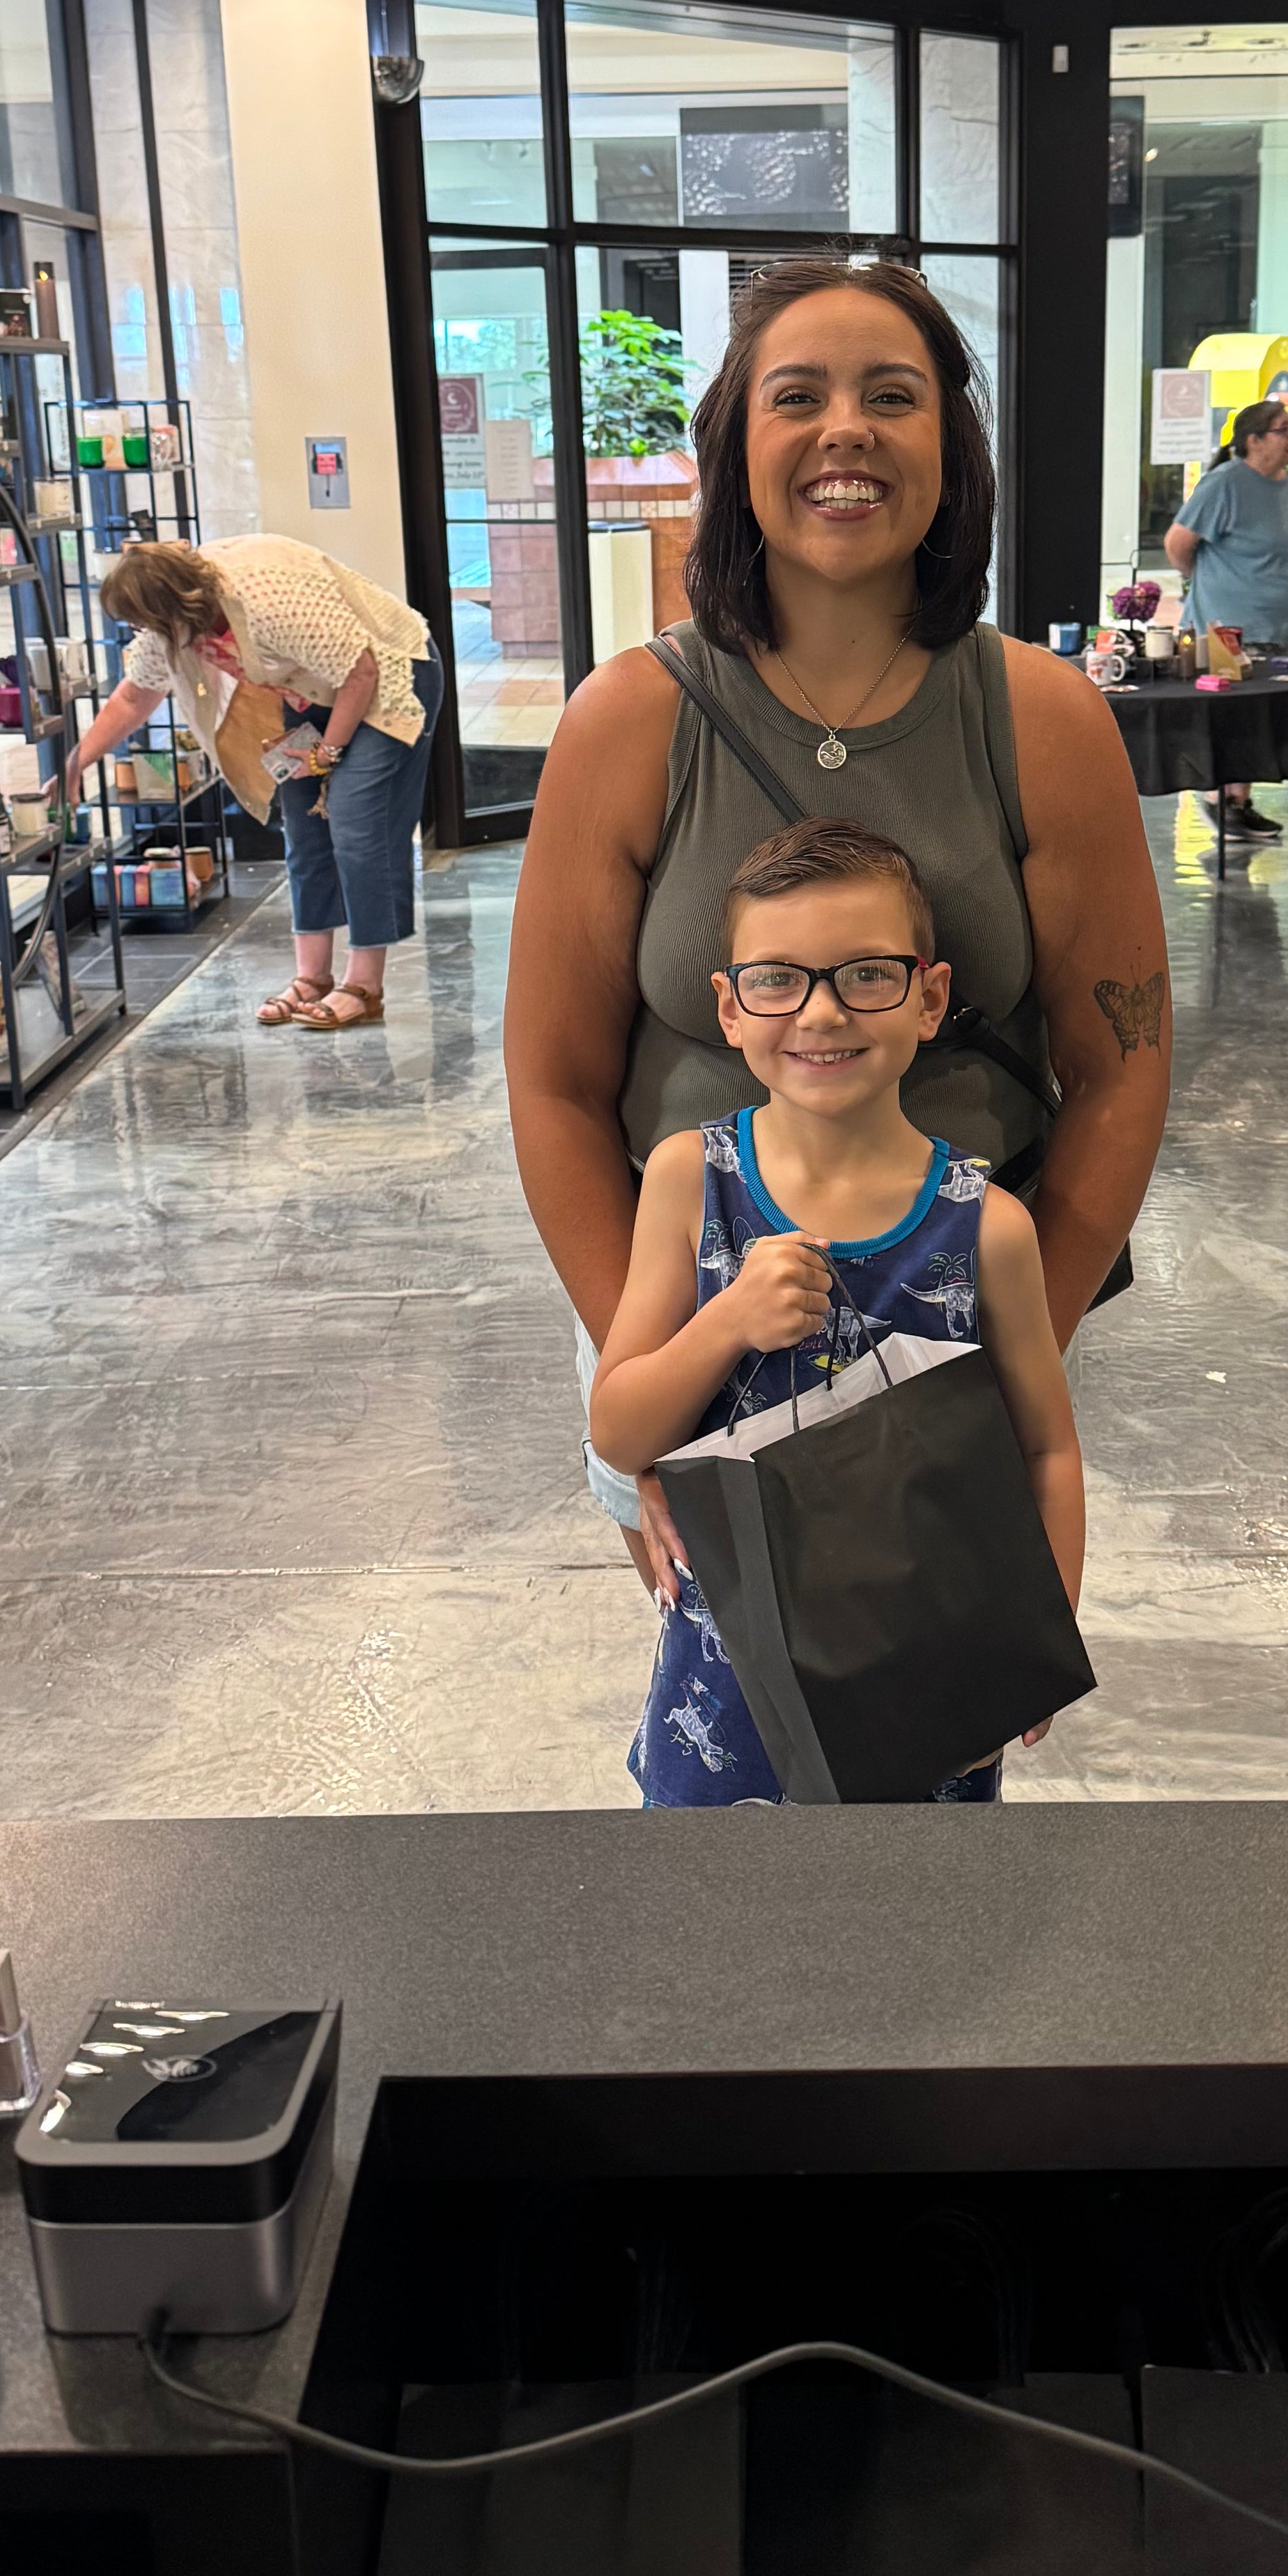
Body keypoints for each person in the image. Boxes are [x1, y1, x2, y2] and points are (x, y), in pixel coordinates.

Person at [506, 252, 1167, 1617]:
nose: (845, 431)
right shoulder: (627, 722)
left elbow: (1123, 1065)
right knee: (735, 1681)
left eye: (893, 396)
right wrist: (650, 1368)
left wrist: (1014, 1347)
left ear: (952, 447)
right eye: (797, 396)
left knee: (939, 1683)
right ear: (736, 447)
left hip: (967, 1312)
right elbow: (555, 1087)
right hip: (692, 1318)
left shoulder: (1042, 719)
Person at [590, 818, 1082, 1806]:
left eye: (866, 974)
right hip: (730, 1695)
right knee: (716, 1897)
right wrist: (728, 1320)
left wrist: (1033, 1644)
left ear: (930, 998)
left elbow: (1046, 1449)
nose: (821, 1012)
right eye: (778, 979)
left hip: (928, 1679)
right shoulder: (690, 1181)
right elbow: (619, 1430)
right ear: (729, 1007)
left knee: (917, 1897)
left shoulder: (989, 1228)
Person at [73, 534, 440, 1031]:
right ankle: (313, 977)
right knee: (304, 831)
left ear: (171, 608)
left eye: (143, 622)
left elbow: (361, 672)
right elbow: (133, 698)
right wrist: (76, 761)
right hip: (311, 691)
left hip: (390, 675)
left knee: (357, 827)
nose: (142, 633)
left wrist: (326, 754)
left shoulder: (265, 599)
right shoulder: (170, 631)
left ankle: (365, 986)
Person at [1163, 397, 1288, 837]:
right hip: (1234, 629)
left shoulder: (1286, 483)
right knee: (1240, 719)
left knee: (1262, 720)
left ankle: (1238, 800)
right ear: (1254, 440)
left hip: (1284, 628)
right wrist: (1207, 581)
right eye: (1284, 430)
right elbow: (1177, 544)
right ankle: (1223, 800)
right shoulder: (1225, 483)